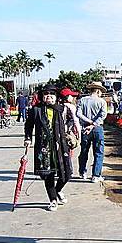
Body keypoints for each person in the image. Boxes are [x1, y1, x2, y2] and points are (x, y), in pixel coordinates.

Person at [24, 84, 72, 212]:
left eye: (51, 94)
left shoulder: (63, 109)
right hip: (44, 147)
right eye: (46, 94)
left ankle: (58, 191)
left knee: (67, 174)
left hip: (60, 146)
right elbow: (28, 125)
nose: (48, 96)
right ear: (42, 97)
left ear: (56, 97)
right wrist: (28, 138)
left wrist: (69, 130)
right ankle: (53, 200)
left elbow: (71, 121)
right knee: (48, 174)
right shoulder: (36, 110)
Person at [77, 81, 108, 183]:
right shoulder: (102, 102)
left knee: (84, 151)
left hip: (85, 128)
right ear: (98, 91)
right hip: (97, 128)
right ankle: (95, 175)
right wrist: (93, 124)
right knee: (98, 152)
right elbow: (103, 115)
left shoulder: (82, 100)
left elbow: (78, 114)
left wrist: (89, 123)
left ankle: (82, 172)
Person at [60, 88, 82, 174]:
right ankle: (68, 170)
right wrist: (79, 135)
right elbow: (76, 121)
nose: (73, 97)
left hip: (58, 132)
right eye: (71, 96)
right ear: (67, 97)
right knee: (68, 152)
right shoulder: (71, 107)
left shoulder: (58, 106)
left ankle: (61, 170)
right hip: (67, 132)